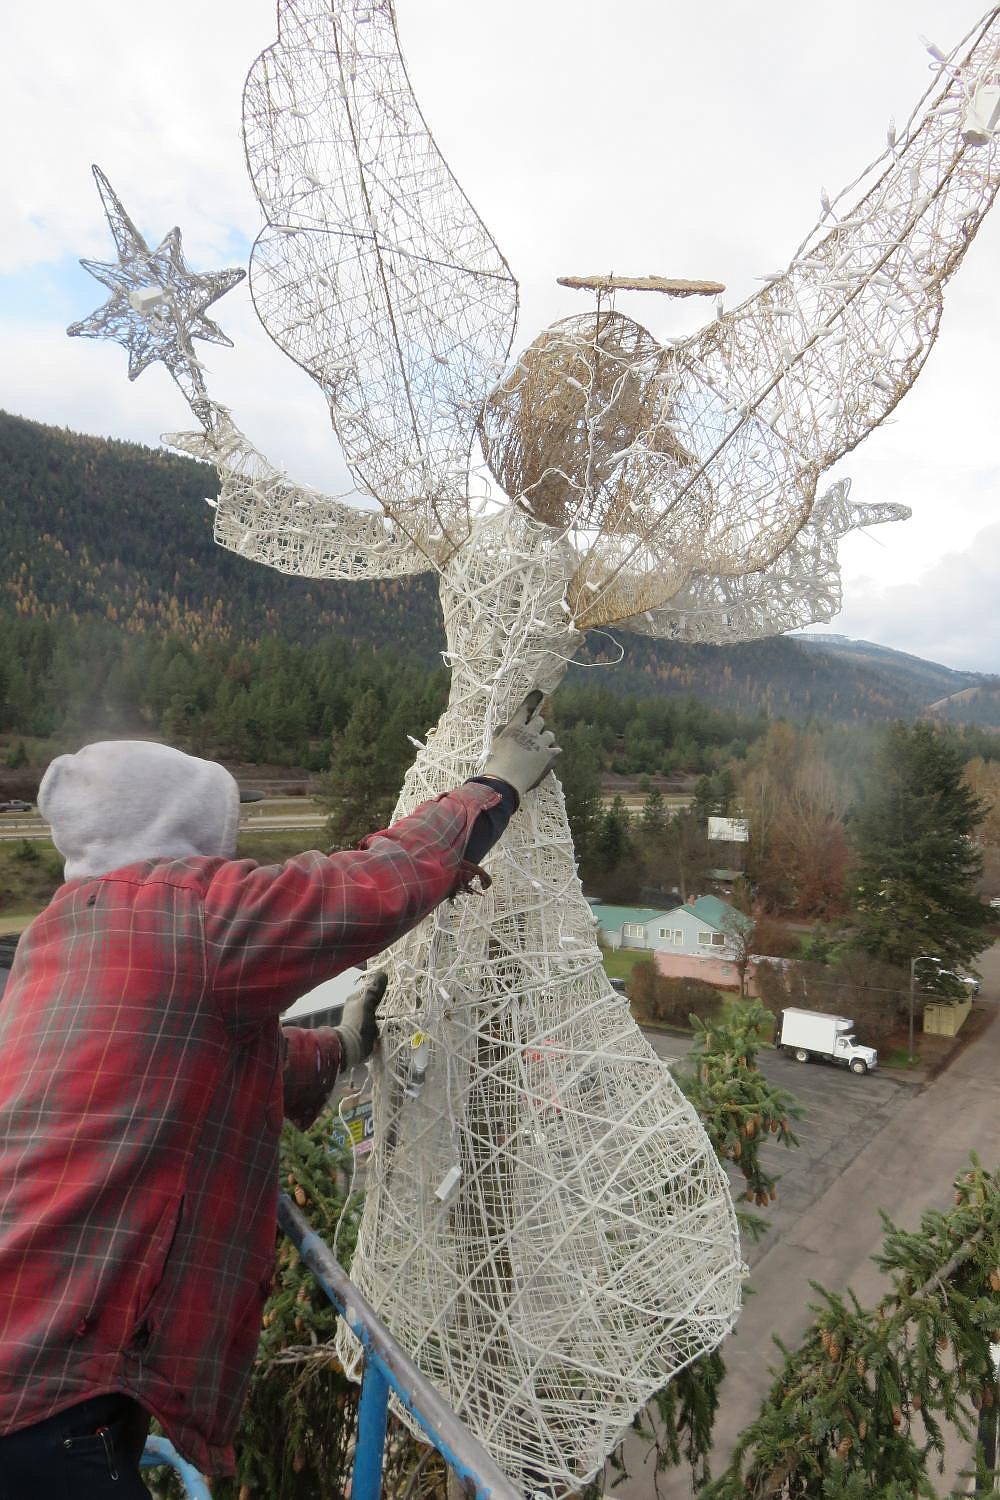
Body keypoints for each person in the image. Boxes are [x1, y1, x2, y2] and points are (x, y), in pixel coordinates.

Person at [0, 691, 559, 1498]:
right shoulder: (195, 913)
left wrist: (344, 1047)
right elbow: (361, 888)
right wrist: (492, 791)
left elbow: (202, 1058)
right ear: (183, 833)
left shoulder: (60, 932)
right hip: (58, 1389)